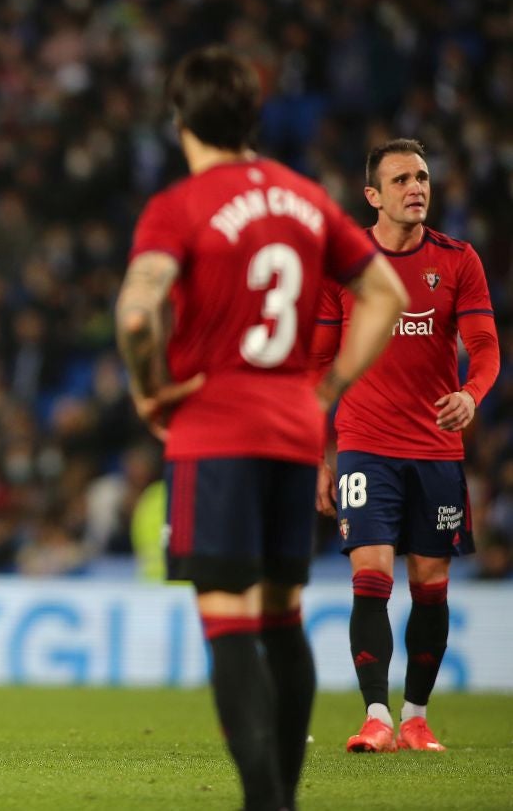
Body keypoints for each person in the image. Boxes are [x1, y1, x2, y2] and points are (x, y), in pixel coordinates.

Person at [116, 46, 407, 811]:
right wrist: (331, 386)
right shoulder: (306, 198)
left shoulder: (178, 206)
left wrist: (151, 390)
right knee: (283, 617)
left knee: (230, 621)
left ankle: (264, 802)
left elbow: (137, 313)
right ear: (253, 116)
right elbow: (385, 291)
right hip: (293, 430)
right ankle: (284, 799)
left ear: (181, 121)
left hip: (213, 432)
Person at [313, 139, 501, 753]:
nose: (416, 187)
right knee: (370, 573)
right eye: (401, 180)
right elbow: (317, 365)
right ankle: (376, 716)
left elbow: (486, 346)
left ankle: (415, 717)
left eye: (421, 177)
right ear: (373, 196)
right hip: (364, 444)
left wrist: (471, 394)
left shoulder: (457, 260)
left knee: (430, 582)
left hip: (437, 450)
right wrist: (319, 454)